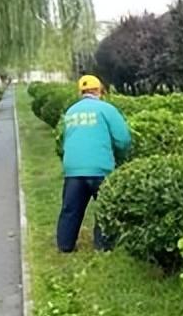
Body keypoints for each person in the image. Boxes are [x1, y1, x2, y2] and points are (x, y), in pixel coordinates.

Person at [56, 74, 131, 253]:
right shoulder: (106, 109)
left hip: (73, 170)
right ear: (99, 91)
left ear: (81, 92)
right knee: (107, 206)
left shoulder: (71, 112)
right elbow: (123, 139)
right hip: (100, 168)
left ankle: (65, 245)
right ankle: (103, 246)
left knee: (71, 208)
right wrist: (121, 156)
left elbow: (66, 139)